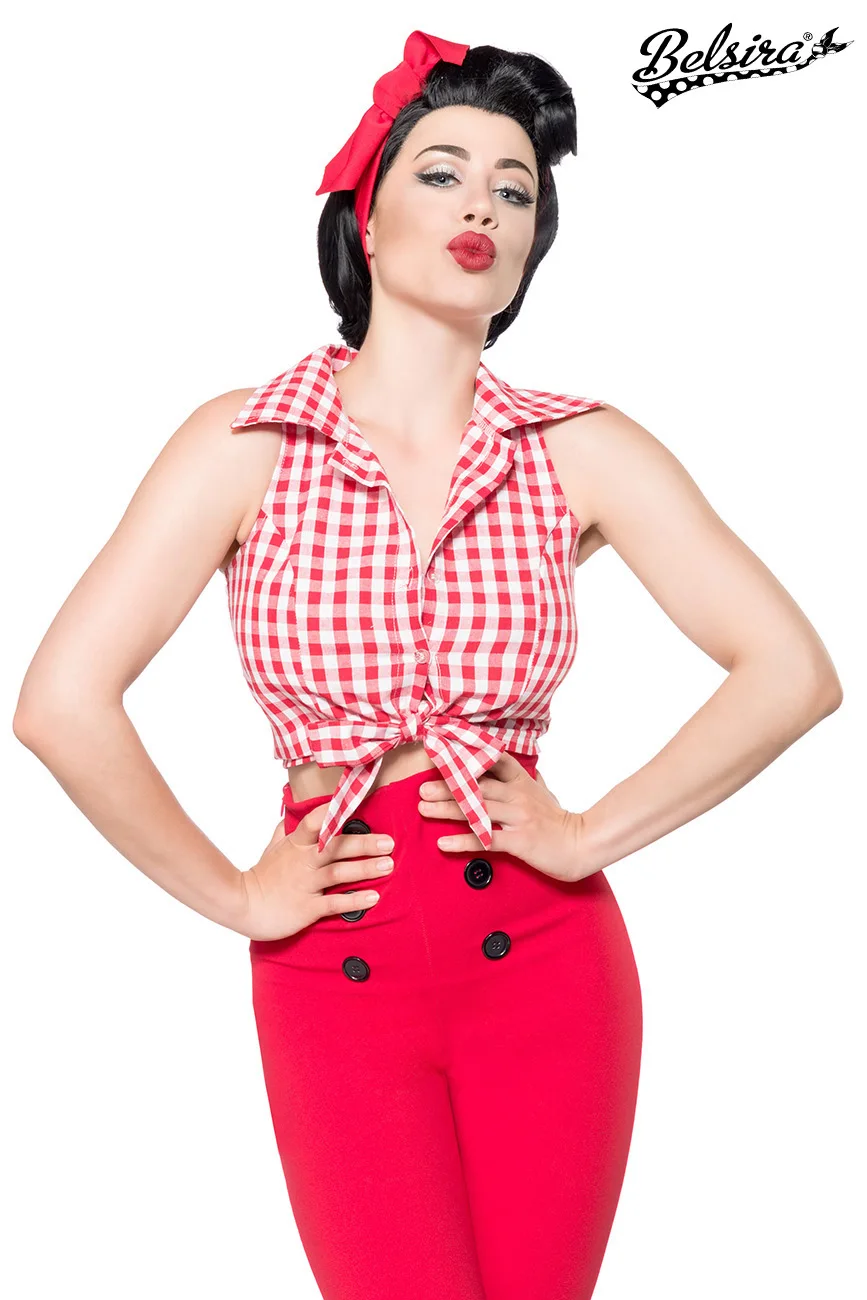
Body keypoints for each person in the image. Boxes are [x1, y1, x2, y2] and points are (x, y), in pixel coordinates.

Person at [13, 29, 843, 1300]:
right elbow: (61, 703)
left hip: (546, 957)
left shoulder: (579, 447)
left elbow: (791, 669)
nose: (482, 209)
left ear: (532, 246)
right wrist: (235, 893)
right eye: (442, 173)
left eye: (516, 190)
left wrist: (587, 833)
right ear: (367, 212)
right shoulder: (246, 440)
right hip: (337, 961)